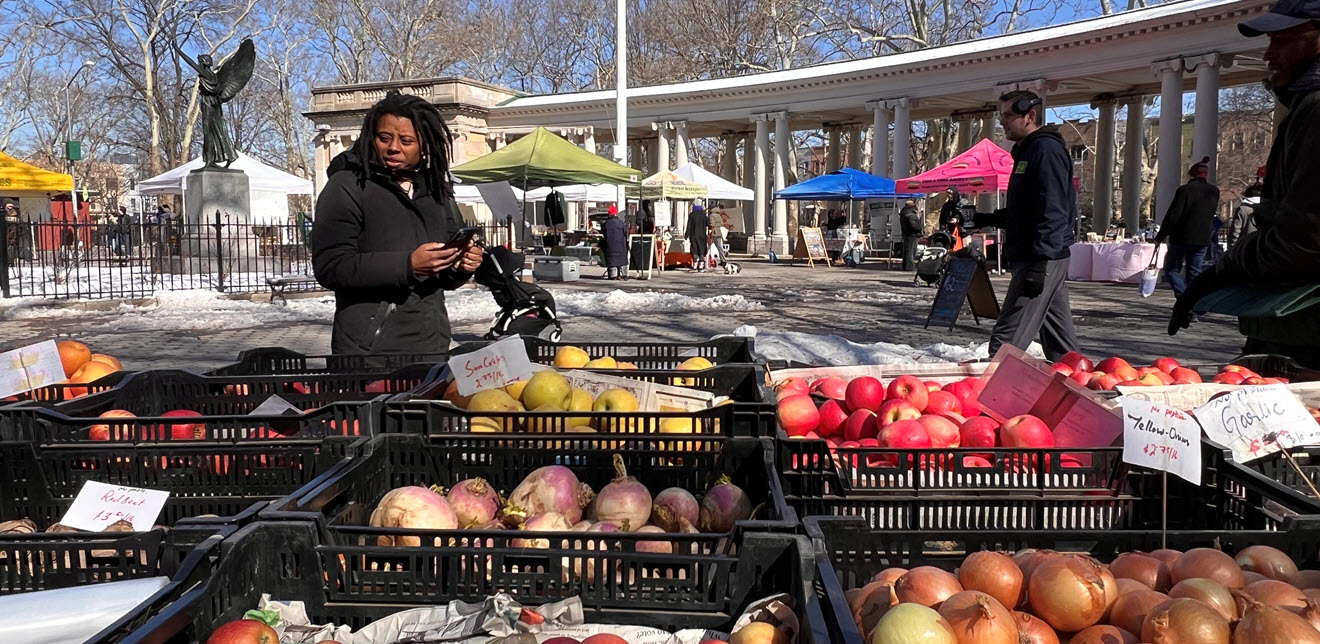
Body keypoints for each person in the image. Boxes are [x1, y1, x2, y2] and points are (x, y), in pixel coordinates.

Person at [1170, 2, 1320, 367]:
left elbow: (1305, 238)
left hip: (1305, 338)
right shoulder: (1305, 106)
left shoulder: (1316, 110)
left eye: (1282, 39)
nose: (1268, 53)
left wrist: (1221, 272)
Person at [312, 91, 483, 355]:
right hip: (369, 352)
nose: (393, 147)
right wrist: (407, 265)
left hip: (431, 345)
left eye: (406, 140)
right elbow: (330, 266)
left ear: (424, 145)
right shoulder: (346, 186)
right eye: (384, 138)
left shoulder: (435, 189)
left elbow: (443, 274)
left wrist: (461, 266)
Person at [973, 90, 1081, 361]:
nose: (1004, 123)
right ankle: (1081, 387)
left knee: (1006, 343)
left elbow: (1053, 208)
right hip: (1042, 254)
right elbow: (1028, 210)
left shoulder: (1044, 150)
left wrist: (1040, 262)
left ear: (1030, 115)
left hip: (1041, 256)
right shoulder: (1028, 151)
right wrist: (985, 219)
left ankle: (992, 399)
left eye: (1009, 115)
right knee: (1061, 345)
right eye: (1001, 117)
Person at [1154, 157, 1220, 298]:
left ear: (1191, 174)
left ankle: (1184, 297)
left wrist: (1160, 237)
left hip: (1181, 237)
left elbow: (1173, 215)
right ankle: (1193, 303)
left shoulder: (1185, 190)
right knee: (1194, 271)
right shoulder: (1214, 191)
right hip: (1202, 238)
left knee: (1172, 269)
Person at [1228, 181, 1263, 249]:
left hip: (1245, 247)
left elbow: (1235, 231)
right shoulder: (1269, 209)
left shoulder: (1243, 209)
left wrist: (1232, 247)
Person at [601, 204, 628, 280]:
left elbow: (604, 234)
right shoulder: (621, 223)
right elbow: (626, 234)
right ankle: (623, 274)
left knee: (612, 261)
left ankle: (613, 275)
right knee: (622, 261)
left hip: (610, 247)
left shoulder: (606, 224)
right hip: (621, 247)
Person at [899, 199, 923, 271]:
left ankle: (906, 266)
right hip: (913, 235)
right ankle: (910, 266)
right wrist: (919, 229)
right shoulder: (911, 215)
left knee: (907, 250)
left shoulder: (903, 214)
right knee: (911, 251)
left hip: (906, 234)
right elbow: (914, 226)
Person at [686, 202, 711, 272]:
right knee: (702, 250)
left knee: (695, 249)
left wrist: (686, 235)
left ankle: (695, 265)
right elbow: (708, 224)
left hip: (693, 235)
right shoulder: (703, 215)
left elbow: (689, 226)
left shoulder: (691, 215)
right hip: (702, 235)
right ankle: (701, 265)